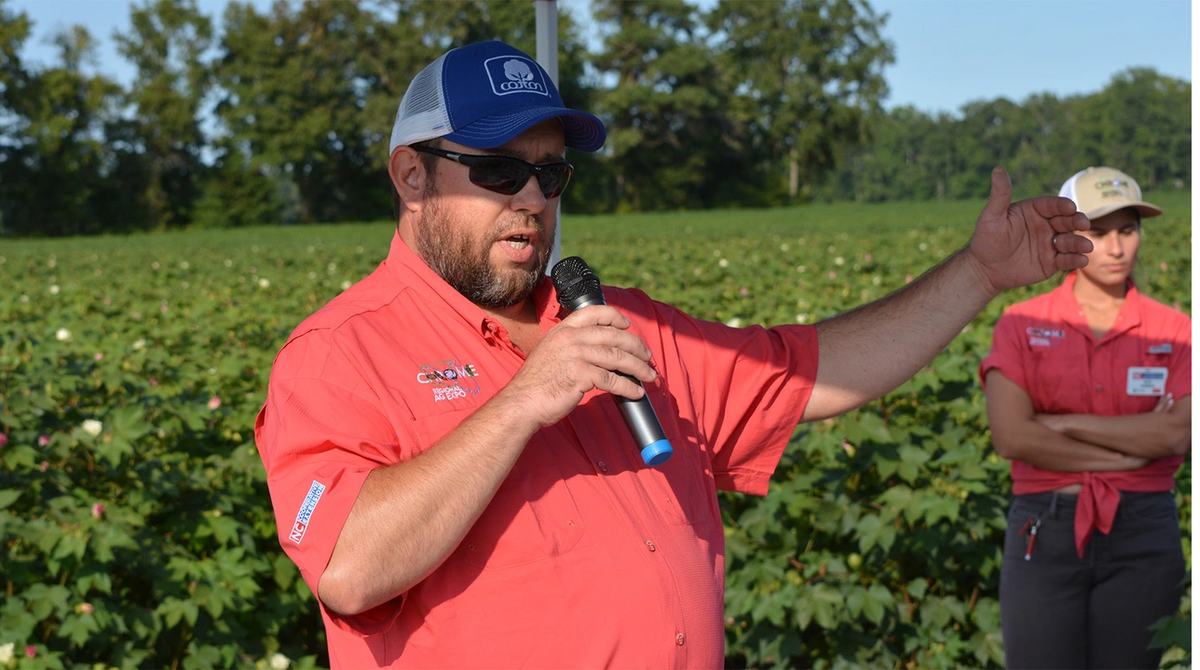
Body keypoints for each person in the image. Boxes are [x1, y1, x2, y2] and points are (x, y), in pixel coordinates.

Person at [254, 40, 1094, 668]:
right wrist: (522, 401)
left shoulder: (613, 322)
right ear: (411, 177)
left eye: (553, 177)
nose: (534, 203)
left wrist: (979, 272)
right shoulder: (340, 353)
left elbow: (811, 374)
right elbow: (349, 565)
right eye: (501, 173)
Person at [979, 166, 1191, 669]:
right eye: (1098, 232)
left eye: (1128, 229)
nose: (1116, 247)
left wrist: (1061, 423)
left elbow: (1178, 432)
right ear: (1069, 235)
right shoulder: (1022, 322)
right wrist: (1134, 450)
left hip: (1143, 530)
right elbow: (1011, 436)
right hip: (1044, 527)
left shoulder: (1175, 328)